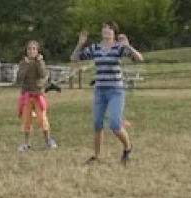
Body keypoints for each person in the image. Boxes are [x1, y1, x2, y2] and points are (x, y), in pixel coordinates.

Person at [72, 22, 143, 165]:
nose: (107, 30)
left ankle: (127, 148)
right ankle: (96, 156)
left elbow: (139, 59)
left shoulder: (119, 47)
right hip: (100, 91)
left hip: (115, 91)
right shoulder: (96, 48)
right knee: (97, 124)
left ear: (115, 33)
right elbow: (74, 58)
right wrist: (80, 44)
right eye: (104, 27)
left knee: (115, 124)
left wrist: (128, 45)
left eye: (110, 28)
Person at [14, 39, 55, 151]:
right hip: (26, 95)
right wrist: (26, 64)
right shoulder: (23, 63)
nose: (31, 51)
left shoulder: (40, 62)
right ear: (26, 51)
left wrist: (39, 62)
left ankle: (48, 140)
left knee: (42, 119)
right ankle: (26, 143)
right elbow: (20, 77)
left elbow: (42, 74)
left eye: (34, 49)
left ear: (37, 51)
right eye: (29, 49)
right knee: (26, 120)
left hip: (38, 95)